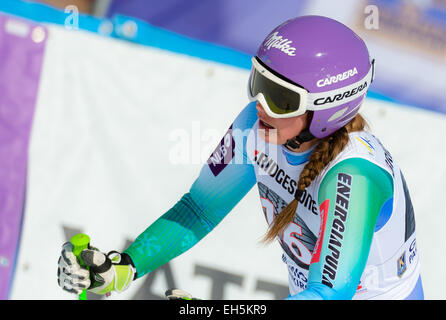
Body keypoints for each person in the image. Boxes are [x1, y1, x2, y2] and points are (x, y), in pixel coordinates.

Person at [57, 15, 423, 300]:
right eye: (258, 83)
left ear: (328, 109)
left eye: (280, 98)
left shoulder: (353, 175)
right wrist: (125, 268)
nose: (260, 105)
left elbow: (330, 293)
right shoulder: (257, 127)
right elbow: (199, 210)